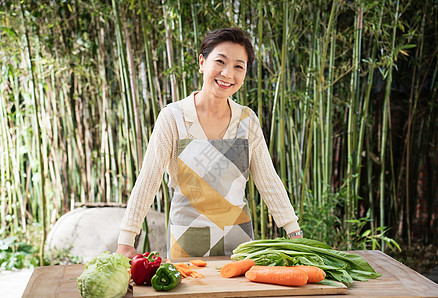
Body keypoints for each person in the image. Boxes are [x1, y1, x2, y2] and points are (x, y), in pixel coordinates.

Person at [116, 27, 302, 259]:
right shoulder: (174, 117)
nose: (227, 74)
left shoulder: (247, 121)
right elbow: (148, 180)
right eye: (220, 61)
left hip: (240, 246)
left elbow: (268, 180)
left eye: (238, 66)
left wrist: (294, 232)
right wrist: (126, 239)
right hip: (187, 244)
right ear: (202, 62)